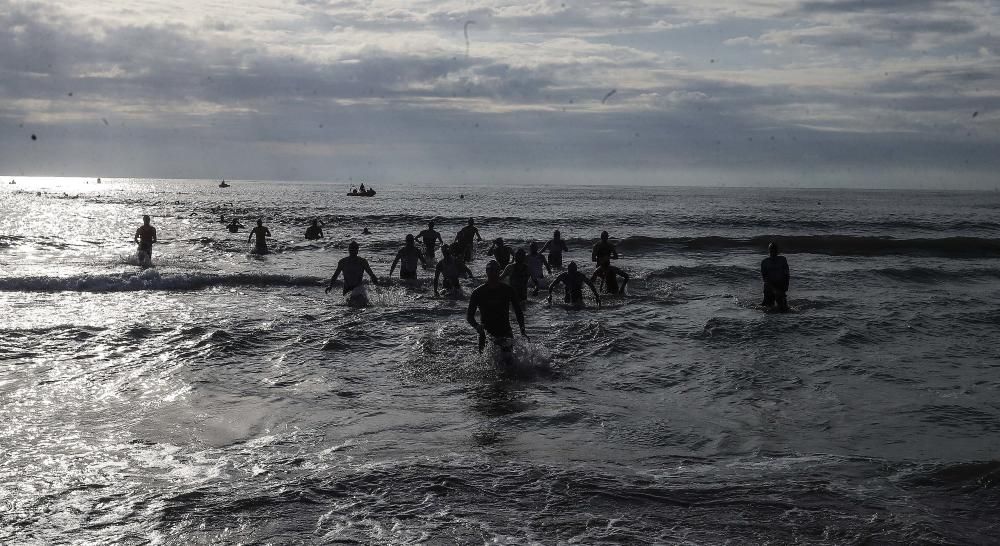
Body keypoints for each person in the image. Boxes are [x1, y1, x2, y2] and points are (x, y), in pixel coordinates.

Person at [467, 260, 528, 354]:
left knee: (509, 363)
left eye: (495, 271)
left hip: (505, 331)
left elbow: (518, 311)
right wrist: (476, 326)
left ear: (499, 272)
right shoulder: (478, 292)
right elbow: (469, 316)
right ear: (486, 272)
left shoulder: (508, 290)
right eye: (490, 270)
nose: (493, 273)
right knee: (484, 365)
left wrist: (522, 331)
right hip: (486, 333)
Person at [760, 242, 790, 312]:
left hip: (780, 286)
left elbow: (786, 274)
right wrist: (774, 289)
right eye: (772, 250)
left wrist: (785, 287)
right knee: (768, 308)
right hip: (769, 287)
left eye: (775, 250)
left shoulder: (782, 260)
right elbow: (765, 278)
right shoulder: (765, 262)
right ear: (769, 250)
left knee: (784, 309)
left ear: (777, 250)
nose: (773, 251)